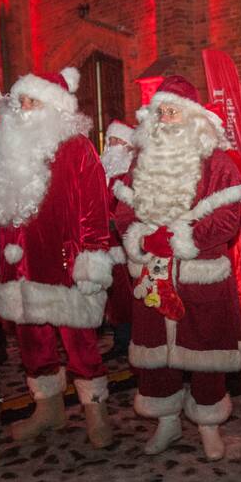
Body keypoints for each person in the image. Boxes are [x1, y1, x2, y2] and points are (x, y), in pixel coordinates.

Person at [0, 68, 115, 446]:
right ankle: (48, 409)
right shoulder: (7, 150)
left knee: (80, 343)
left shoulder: (77, 148)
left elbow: (95, 211)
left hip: (64, 266)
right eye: (21, 101)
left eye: (33, 101)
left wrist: (92, 259)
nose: (24, 109)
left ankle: (95, 411)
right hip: (19, 268)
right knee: (33, 344)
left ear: (55, 107)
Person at [112, 76, 241, 461]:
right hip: (152, 277)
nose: (166, 119)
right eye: (161, 112)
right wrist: (142, 238)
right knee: (156, 357)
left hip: (199, 274)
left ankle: (209, 425)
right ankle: (167, 422)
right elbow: (123, 212)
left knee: (205, 353)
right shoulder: (140, 161)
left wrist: (182, 238)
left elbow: (228, 217)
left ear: (193, 117)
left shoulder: (217, 162)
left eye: (173, 111)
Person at [101, 120, 136, 361]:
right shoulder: (103, 174)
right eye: (110, 140)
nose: (112, 145)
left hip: (125, 244)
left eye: (118, 140)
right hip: (106, 244)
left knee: (128, 295)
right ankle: (120, 339)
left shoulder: (130, 174)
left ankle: (131, 339)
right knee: (113, 296)